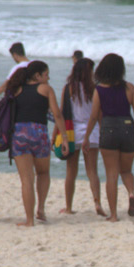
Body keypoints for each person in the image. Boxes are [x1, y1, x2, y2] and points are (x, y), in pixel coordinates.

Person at [83, 53, 134, 222]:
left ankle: (113, 215)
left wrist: (87, 137)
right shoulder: (130, 88)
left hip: (109, 129)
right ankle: (131, 194)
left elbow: (94, 116)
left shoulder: (99, 89)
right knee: (126, 170)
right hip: (128, 128)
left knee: (111, 174)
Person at [8, 60, 69, 226]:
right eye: (46, 75)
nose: (48, 78)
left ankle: (29, 220)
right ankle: (40, 209)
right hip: (39, 133)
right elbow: (57, 114)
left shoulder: (17, 89)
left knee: (27, 180)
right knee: (43, 173)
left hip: (19, 134)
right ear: (37, 75)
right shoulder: (46, 89)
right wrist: (63, 138)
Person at [55, 58, 106, 216]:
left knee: (71, 171)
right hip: (92, 132)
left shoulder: (68, 88)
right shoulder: (96, 89)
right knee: (92, 171)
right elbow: (99, 115)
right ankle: (97, 202)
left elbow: (61, 114)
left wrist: (56, 135)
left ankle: (69, 207)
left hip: (73, 133)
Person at [0, 42, 30, 107]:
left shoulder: (17, 67)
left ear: (14, 55)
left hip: (19, 100)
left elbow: (5, 85)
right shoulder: (33, 65)